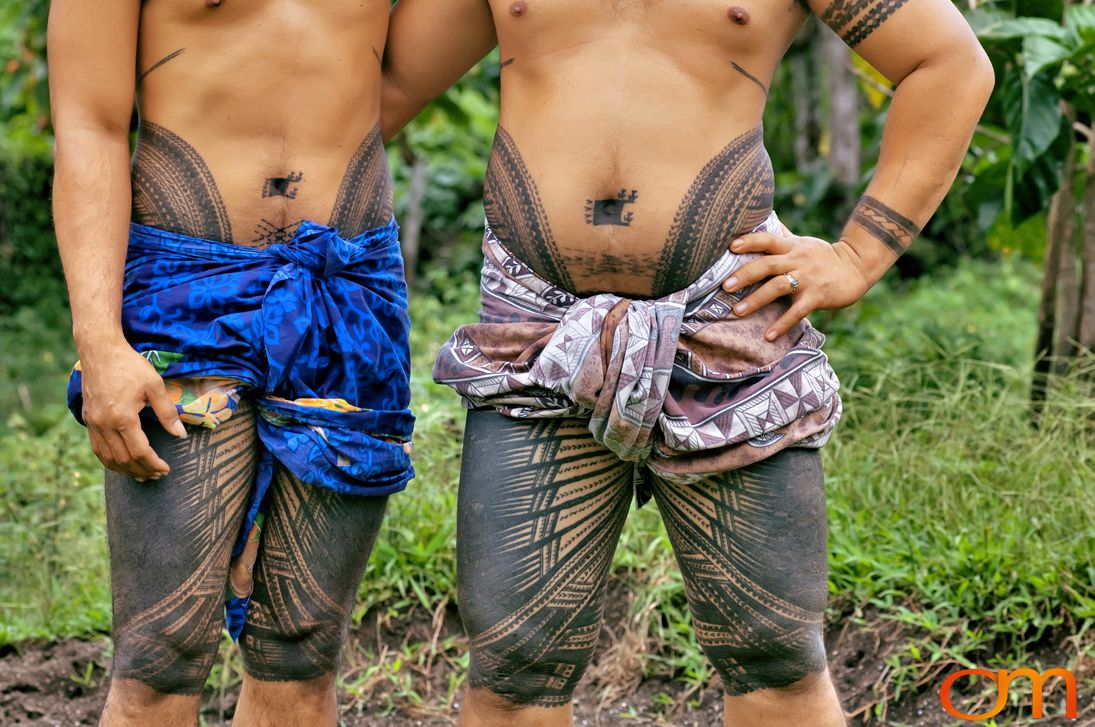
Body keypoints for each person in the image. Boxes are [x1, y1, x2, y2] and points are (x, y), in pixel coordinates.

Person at [381, 2, 993, 725]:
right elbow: (381, 90)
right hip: (536, 332)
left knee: (772, 654)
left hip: (723, 321)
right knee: (515, 666)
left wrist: (859, 254)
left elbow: (947, 62)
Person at [47, 2, 413, 725]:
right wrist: (99, 343)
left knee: (302, 653)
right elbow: (89, 120)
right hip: (183, 291)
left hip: (346, 283)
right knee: (159, 655)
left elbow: (394, 80)